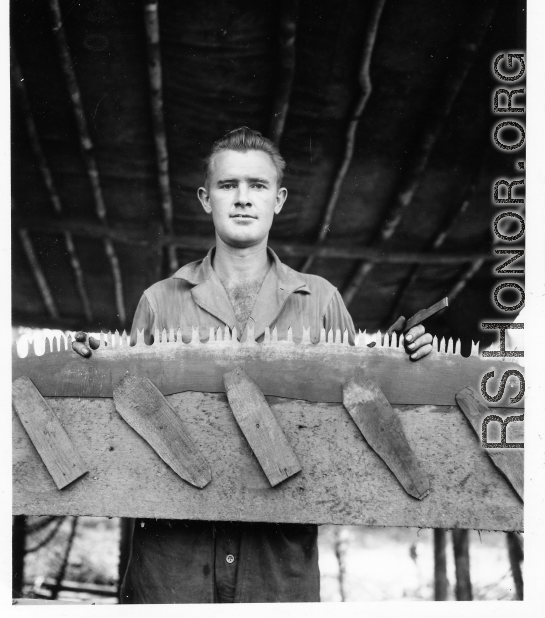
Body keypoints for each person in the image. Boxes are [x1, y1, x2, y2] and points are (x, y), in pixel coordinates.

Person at [73, 127, 433, 603]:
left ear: (278, 200)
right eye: (228, 186)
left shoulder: (320, 300)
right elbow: (125, 426)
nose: (243, 199)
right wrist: (89, 368)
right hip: (172, 564)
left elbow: (359, 417)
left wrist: (409, 365)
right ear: (206, 199)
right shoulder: (159, 302)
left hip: (277, 564)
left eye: (257, 186)